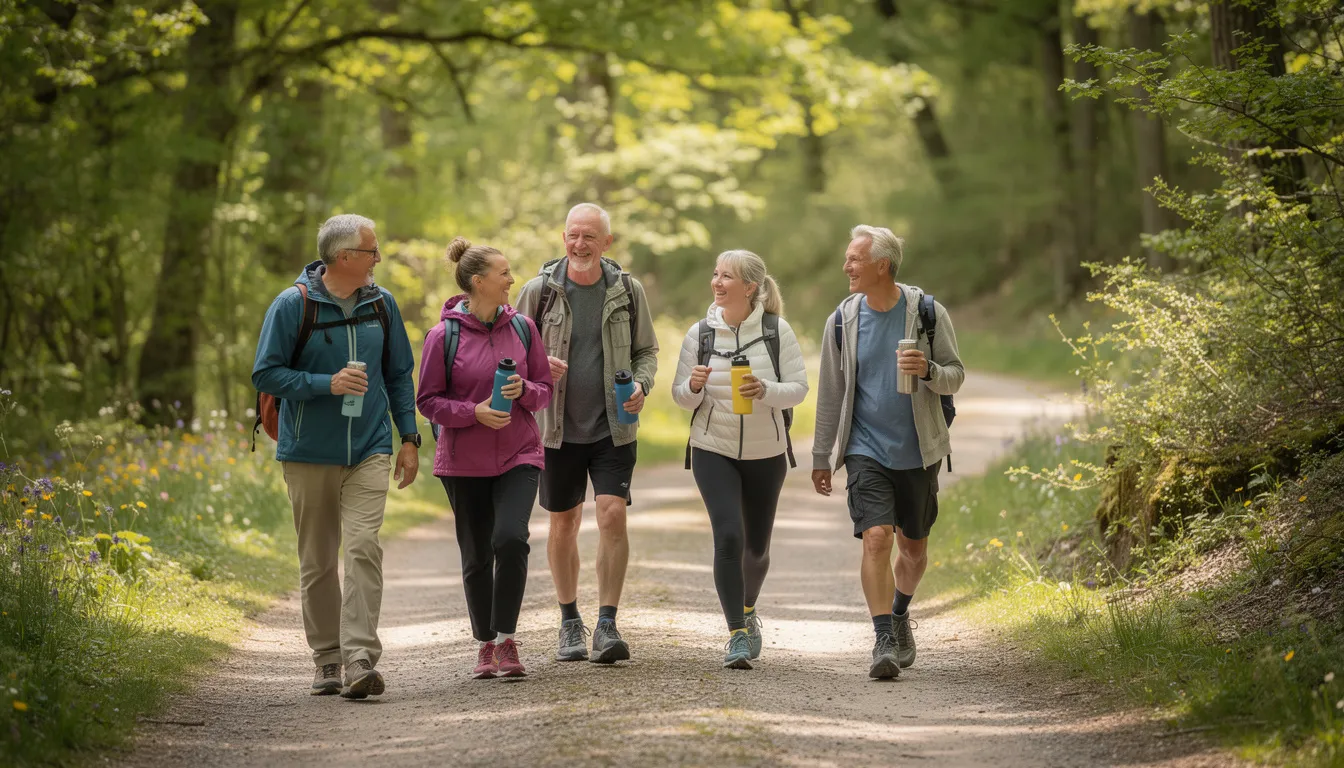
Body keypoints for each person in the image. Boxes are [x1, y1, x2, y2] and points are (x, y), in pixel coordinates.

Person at [252, 213, 421, 699]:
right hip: (308, 451)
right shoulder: (292, 305)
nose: (379, 258)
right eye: (372, 251)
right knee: (319, 560)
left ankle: (360, 657)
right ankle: (327, 658)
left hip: (369, 446)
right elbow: (266, 374)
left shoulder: (382, 304)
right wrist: (326, 384)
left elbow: (399, 375)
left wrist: (408, 438)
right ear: (345, 257)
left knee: (363, 547)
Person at [810, 225, 964, 680]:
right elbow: (830, 393)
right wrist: (823, 455)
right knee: (877, 537)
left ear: (883, 265)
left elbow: (955, 374)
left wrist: (930, 370)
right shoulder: (842, 319)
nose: (846, 267)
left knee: (913, 551)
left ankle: (899, 614)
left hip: (918, 450)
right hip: (865, 447)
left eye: (854, 259)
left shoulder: (929, 314)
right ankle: (882, 638)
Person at [514, 202, 659, 664]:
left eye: (590, 237)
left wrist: (641, 384)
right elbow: (509, 353)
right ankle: (570, 621)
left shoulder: (628, 291)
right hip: (555, 430)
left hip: (614, 427)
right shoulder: (539, 292)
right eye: (573, 235)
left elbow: (647, 351)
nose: (580, 244)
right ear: (564, 238)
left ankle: (608, 625)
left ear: (606, 243)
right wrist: (538, 367)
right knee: (564, 522)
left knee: (612, 514)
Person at [416, 237, 553, 679]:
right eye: (505, 273)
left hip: (519, 452)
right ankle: (484, 644)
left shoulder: (524, 329)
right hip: (463, 460)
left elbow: (544, 390)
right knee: (477, 554)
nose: (512, 279)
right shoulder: (443, 336)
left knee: (510, 539)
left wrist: (524, 392)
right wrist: (472, 412)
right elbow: (428, 401)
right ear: (479, 282)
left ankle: (507, 640)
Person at [671, 249, 808, 669]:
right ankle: (735, 634)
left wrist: (765, 390)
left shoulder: (775, 331)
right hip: (713, 448)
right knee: (728, 536)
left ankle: (748, 610)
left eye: (726, 276)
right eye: (715, 274)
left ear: (750, 287)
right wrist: (693, 386)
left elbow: (799, 388)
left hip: (767, 452)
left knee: (757, 547)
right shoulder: (700, 334)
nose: (716, 282)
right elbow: (680, 397)